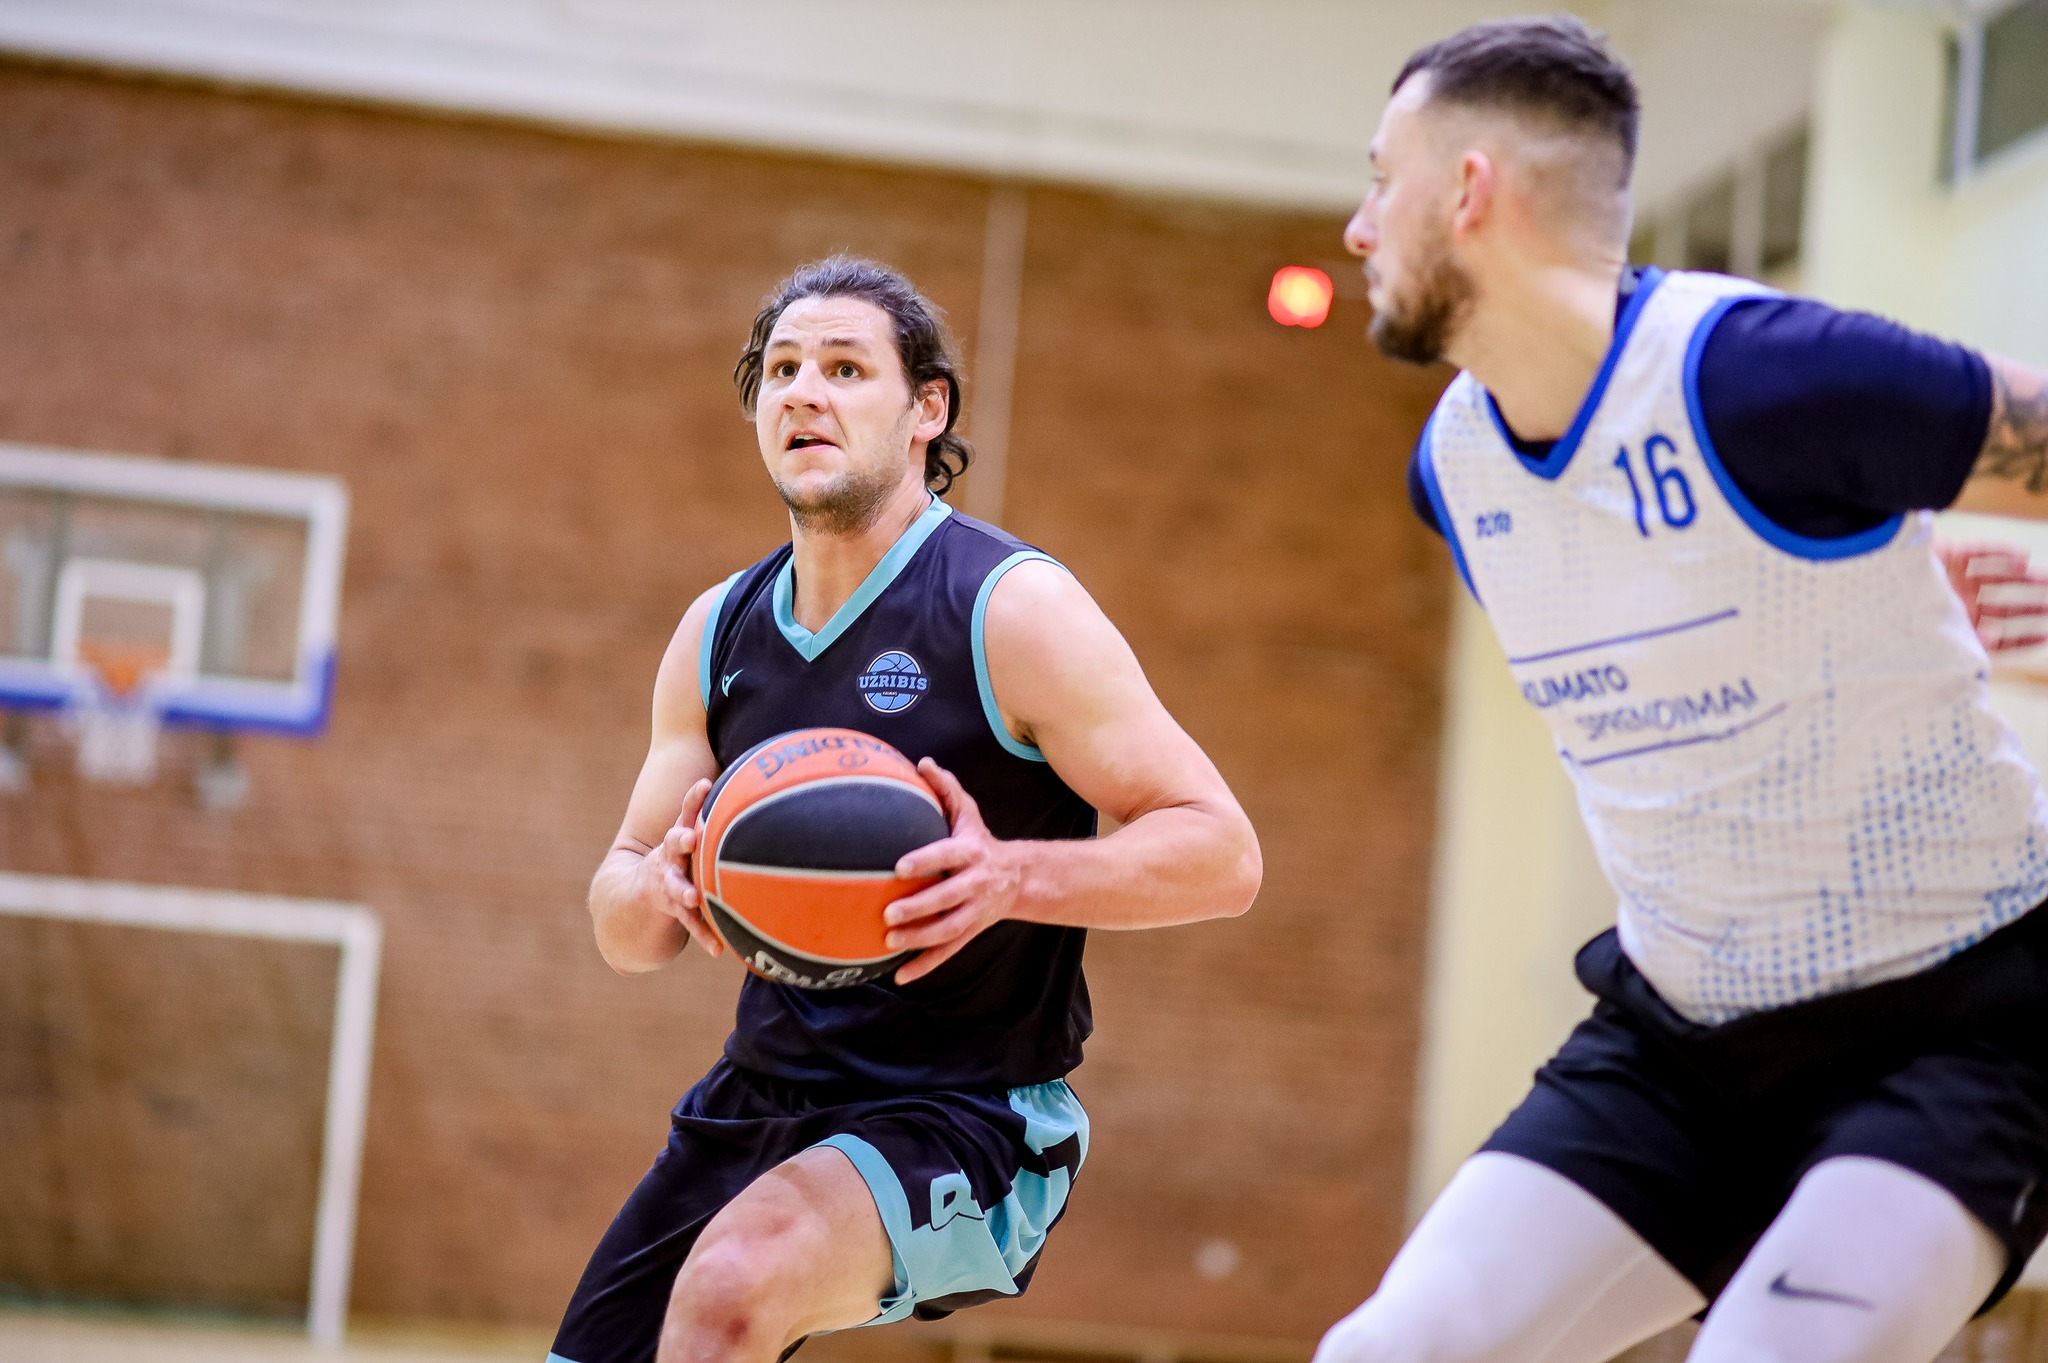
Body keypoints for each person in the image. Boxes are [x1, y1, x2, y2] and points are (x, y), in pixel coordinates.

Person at [1316, 17, 2048, 1363]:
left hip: (1957, 1025)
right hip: (1678, 1045)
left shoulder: (1765, 374)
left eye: (1380, 179)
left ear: (1469, 189)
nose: (1360, 227)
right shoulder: (1455, 471)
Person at [548, 256, 1262, 1363]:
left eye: (844, 368)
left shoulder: (1009, 608)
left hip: (969, 1113)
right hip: (762, 1095)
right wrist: (661, 885)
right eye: (782, 370)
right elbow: (622, 923)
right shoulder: (718, 630)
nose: (804, 392)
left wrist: (1010, 876)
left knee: (729, 1287)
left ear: (927, 409)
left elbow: (1222, 851)